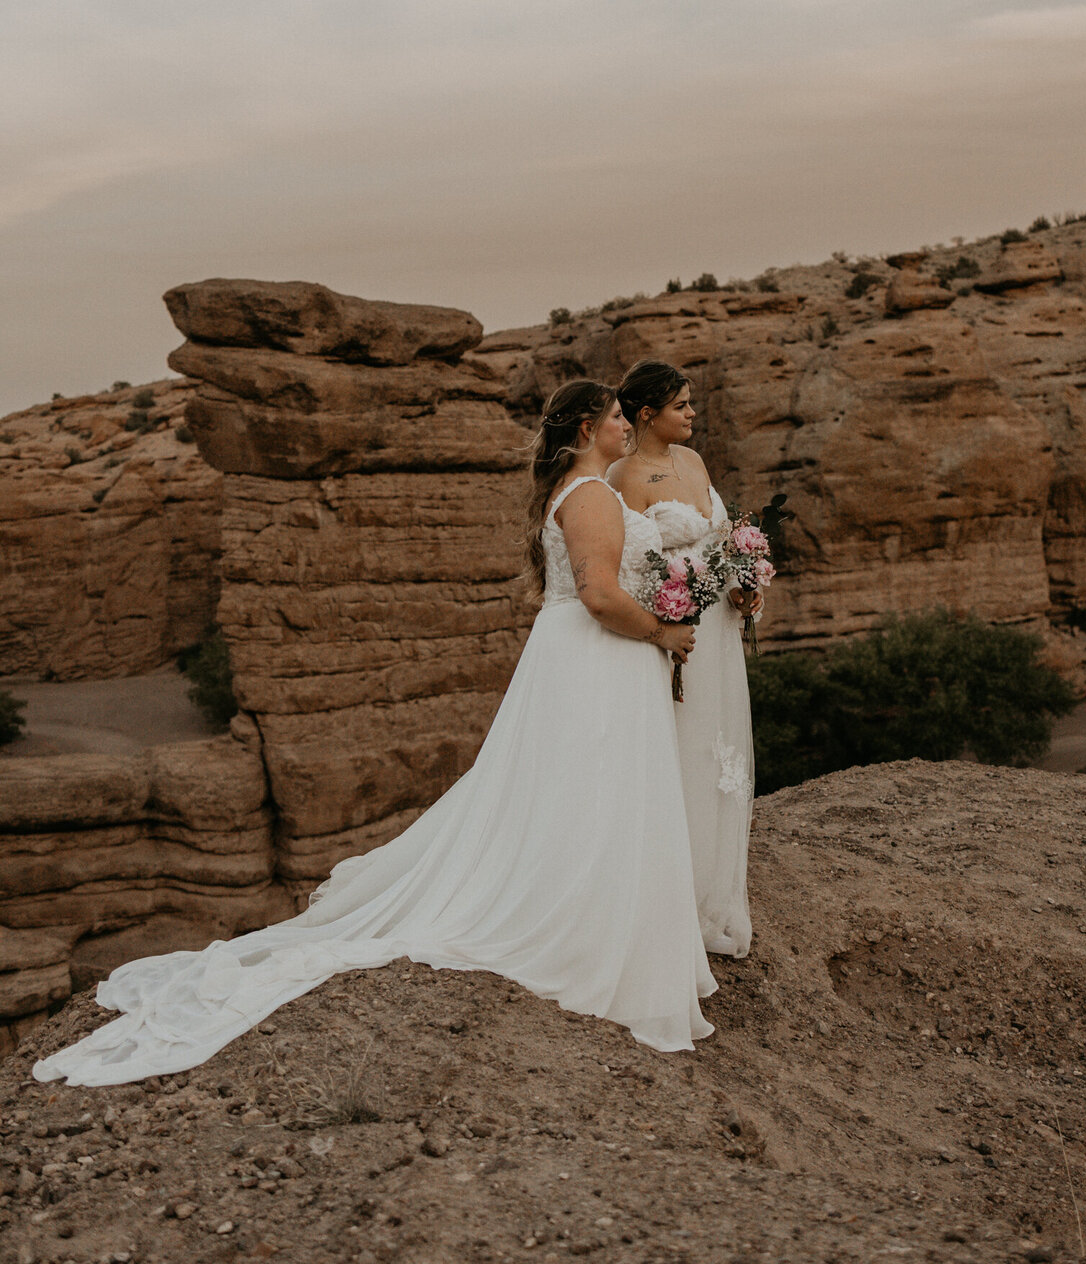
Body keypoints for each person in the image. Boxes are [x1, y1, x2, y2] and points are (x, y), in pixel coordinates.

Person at [33, 381, 716, 1087]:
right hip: (598, 656)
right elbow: (599, 594)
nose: (624, 427)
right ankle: (586, 932)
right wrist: (663, 631)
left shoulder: (580, 492)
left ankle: (590, 913)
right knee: (597, 786)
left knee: (577, 787)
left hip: (582, 654)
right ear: (585, 429)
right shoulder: (592, 494)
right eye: (615, 418)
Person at [608, 362, 756, 958]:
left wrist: (744, 586)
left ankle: (712, 895)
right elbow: (627, 564)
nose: (693, 414)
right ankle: (670, 904)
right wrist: (667, 611)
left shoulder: (693, 462)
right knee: (682, 750)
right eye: (681, 406)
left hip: (718, 629)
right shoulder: (623, 476)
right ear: (647, 414)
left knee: (718, 750)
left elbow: (718, 541)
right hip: (673, 633)